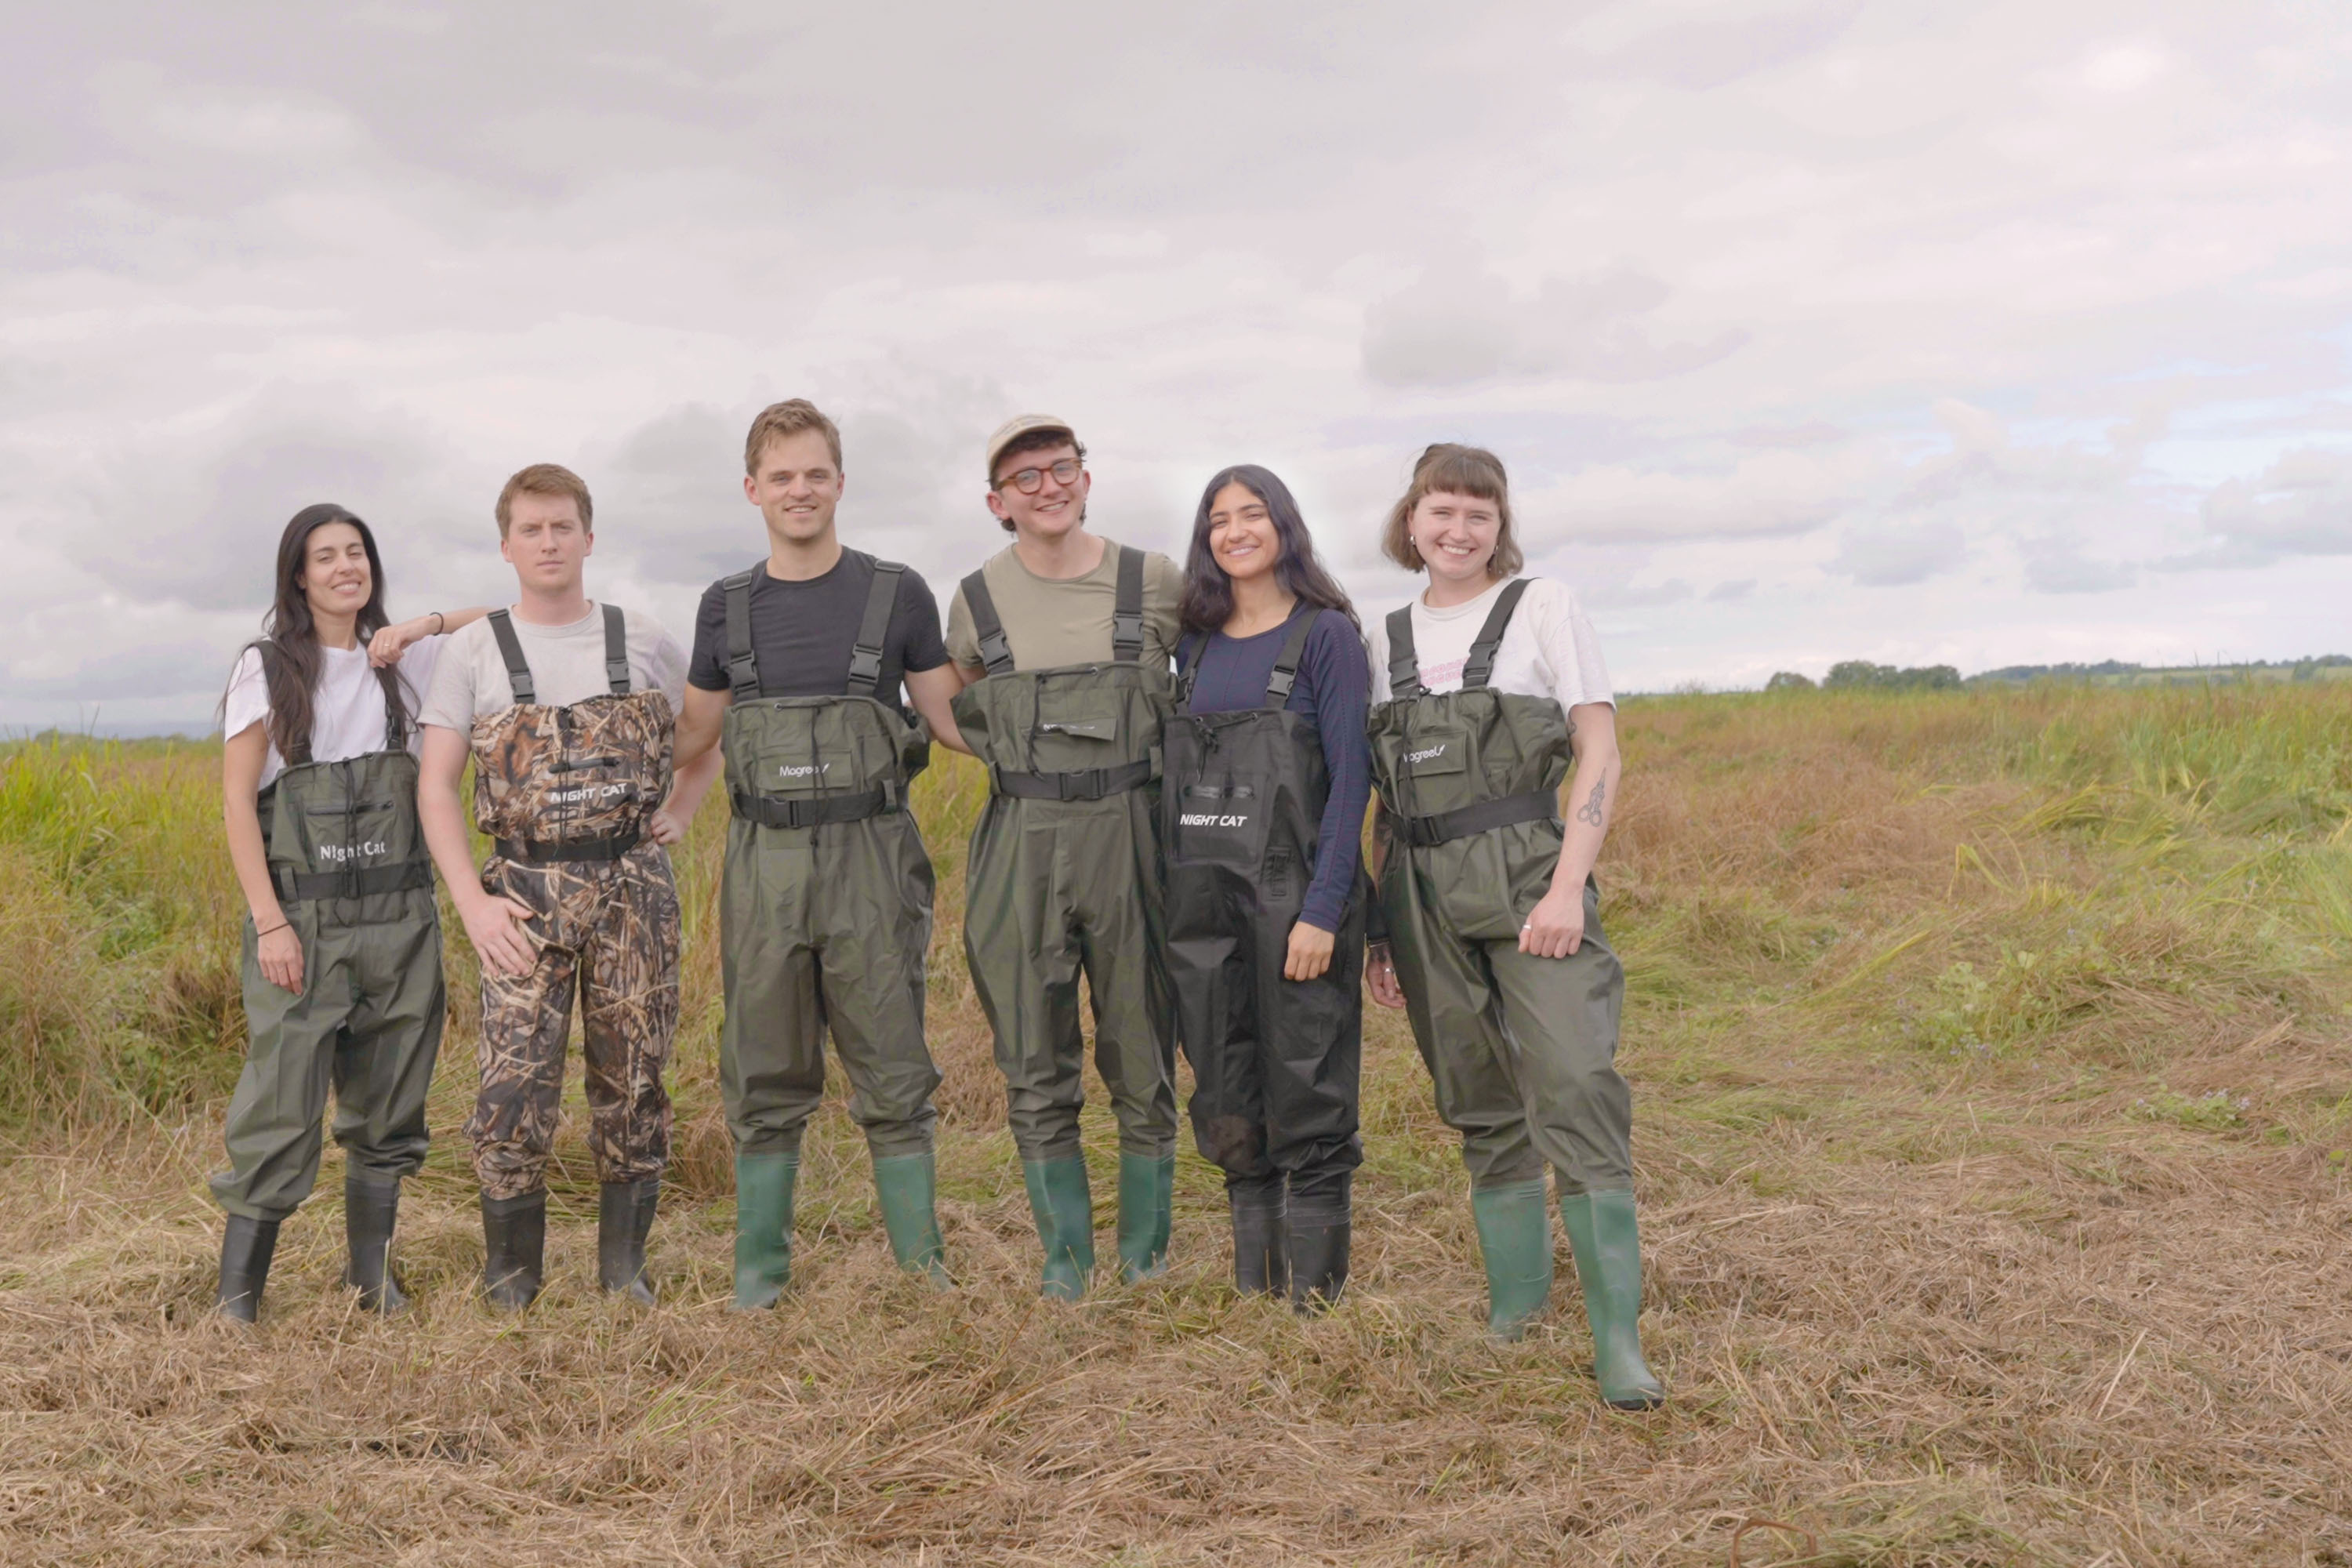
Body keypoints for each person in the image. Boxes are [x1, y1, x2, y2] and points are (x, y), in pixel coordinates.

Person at [1363, 443, 1664, 1410]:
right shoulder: (1381, 638)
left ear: (1500, 525)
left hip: (1532, 873)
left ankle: (1617, 1337)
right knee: (1476, 1092)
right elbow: (1380, 797)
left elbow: (1599, 747)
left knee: (1575, 1077)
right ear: (1412, 520)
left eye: (1478, 514)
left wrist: (1569, 885)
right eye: (1441, 511)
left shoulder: (1544, 606)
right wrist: (1380, 929)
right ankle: (1516, 1304)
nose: (1458, 530)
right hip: (1419, 890)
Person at [659, 398, 969, 1307]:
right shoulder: (725, 606)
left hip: (873, 857)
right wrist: (589, 757)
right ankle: (759, 1275)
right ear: (753, 489)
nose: (800, 490)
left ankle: (921, 1269)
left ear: (840, 483)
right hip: (765, 860)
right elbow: (693, 734)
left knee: (893, 1059)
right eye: (782, 476)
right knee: (762, 1061)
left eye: (816, 474)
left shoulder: (896, 592)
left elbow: (951, 718)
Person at [417, 463, 717, 1309]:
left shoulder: (643, 639)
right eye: (531, 529)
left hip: (633, 888)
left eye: (562, 527)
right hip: (522, 891)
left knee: (636, 1076)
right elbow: (434, 786)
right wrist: (472, 905)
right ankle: (513, 1276)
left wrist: (681, 810)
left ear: (589, 537)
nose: (548, 542)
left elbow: (706, 735)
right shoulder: (473, 650)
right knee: (513, 1087)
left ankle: (624, 1271)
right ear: (506, 545)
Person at [212, 503, 485, 1323]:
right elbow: (236, 801)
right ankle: (237, 1300)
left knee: (390, 1102)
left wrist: (418, 627)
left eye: (356, 551)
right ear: (298, 577)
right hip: (305, 921)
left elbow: (510, 617)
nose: (344, 567)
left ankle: (371, 1281)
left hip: (402, 920)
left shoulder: (409, 660)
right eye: (325, 556)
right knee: (280, 1103)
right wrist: (270, 922)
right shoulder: (267, 667)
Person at [943, 415, 1184, 1298]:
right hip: (1024, 835)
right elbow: (969, 703)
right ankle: (1066, 1261)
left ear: (1086, 477)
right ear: (997, 503)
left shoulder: (1153, 580)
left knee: (1143, 1045)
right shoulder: (974, 599)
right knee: (1033, 1054)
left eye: (1061, 467)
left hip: (1134, 830)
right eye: (1025, 477)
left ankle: (1146, 1255)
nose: (1047, 486)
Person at [1162, 466, 1370, 1309]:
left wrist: (1323, 910)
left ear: (1284, 525)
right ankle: (1257, 1292)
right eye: (1218, 519)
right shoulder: (1192, 644)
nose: (1235, 530)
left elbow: (1352, 781)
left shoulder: (1327, 637)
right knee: (1224, 1083)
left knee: (1307, 1083)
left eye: (1252, 513)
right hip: (1202, 906)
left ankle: (1315, 1304)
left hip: (1296, 901)